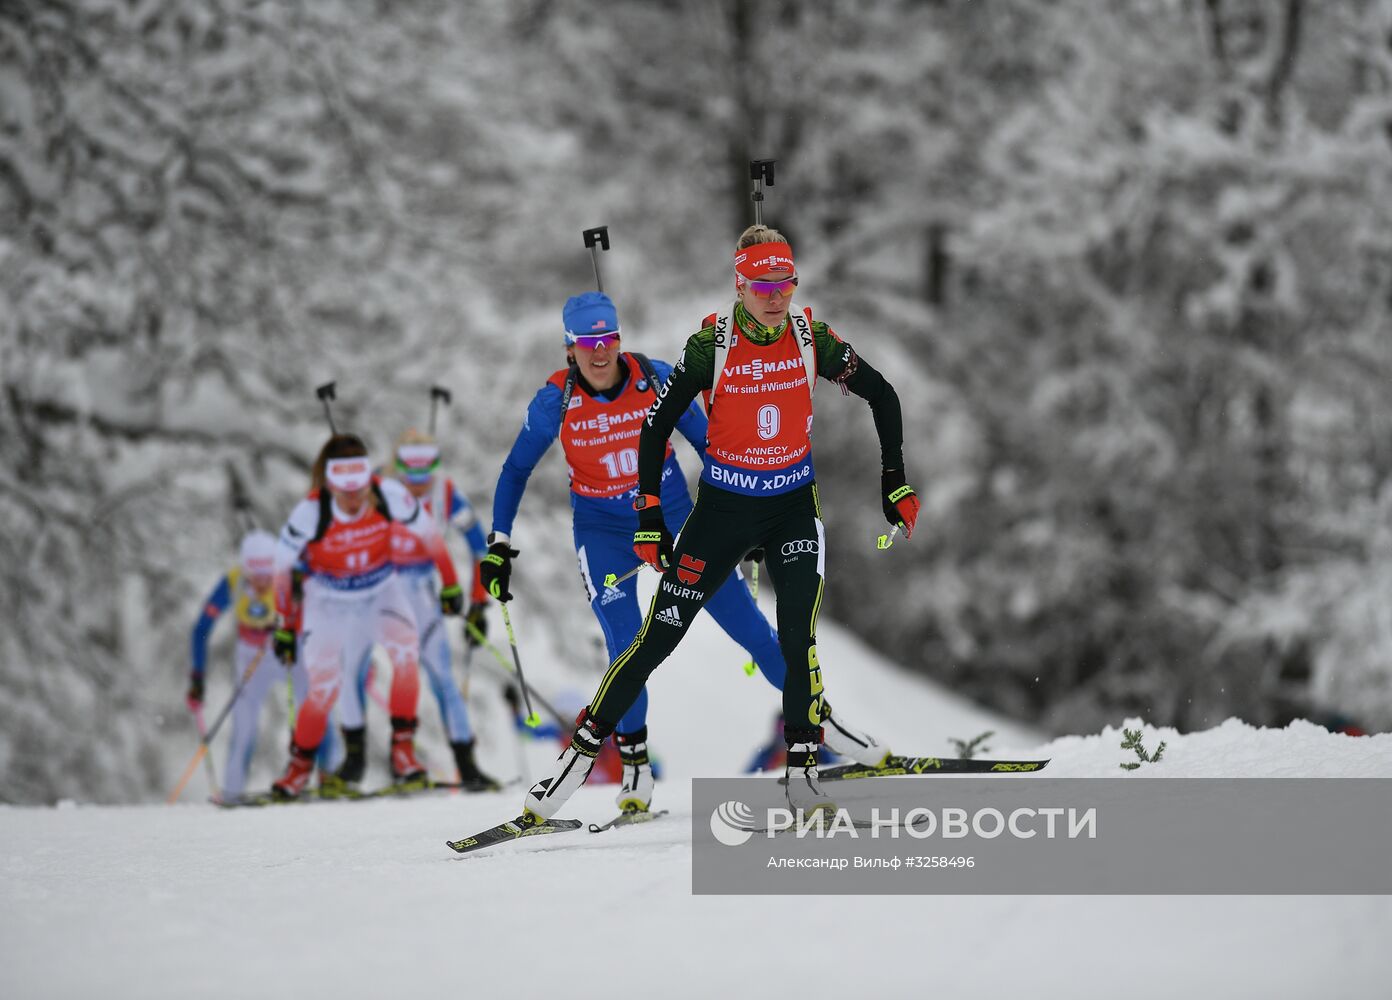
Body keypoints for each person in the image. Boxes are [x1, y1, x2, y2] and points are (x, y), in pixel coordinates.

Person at [517, 225, 921, 823]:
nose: (775, 294)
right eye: (762, 283)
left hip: (792, 510)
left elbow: (882, 393)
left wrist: (895, 479)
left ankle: (804, 773)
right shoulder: (713, 345)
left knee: (796, 636)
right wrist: (650, 514)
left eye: (784, 280)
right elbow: (656, 427)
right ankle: (578, 761)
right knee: (656, 638)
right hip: (721, 514)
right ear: (740, 284)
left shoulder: (813, 337)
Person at [267, 433, 462, 799]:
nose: (355, 500)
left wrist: (450, 584)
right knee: (324, 687)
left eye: (360, 490)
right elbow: (281, 570)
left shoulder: (389, 494)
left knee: (407, 656)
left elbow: (430, 535)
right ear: (329, 484)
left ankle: (403, 752)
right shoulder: (311, 511)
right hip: (327, 599)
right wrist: (283, 625)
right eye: (345, 492)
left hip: (380, 590)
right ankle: (298, 768)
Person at [388, 428, 499, 790]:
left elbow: (480, 548)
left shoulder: (447, 494)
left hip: (422, 589)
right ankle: (363, 761)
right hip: (383, 591)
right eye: (409, 474)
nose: (417, 484)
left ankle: (466, 766)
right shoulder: (380, 491)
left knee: (442, 679)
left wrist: (478, 604)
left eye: (425, 474)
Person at [186, 531, 280, 803]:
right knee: (244, 724)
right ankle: (232, 791)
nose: (263, 581)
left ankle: (329, 779)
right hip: (250, 654)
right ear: (246, 569)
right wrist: (198, 677)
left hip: (287, 651)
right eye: (257, 574)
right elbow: (201, 629)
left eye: (268, 574)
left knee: (313, 711)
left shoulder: (290, 577)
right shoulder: (233, 582)